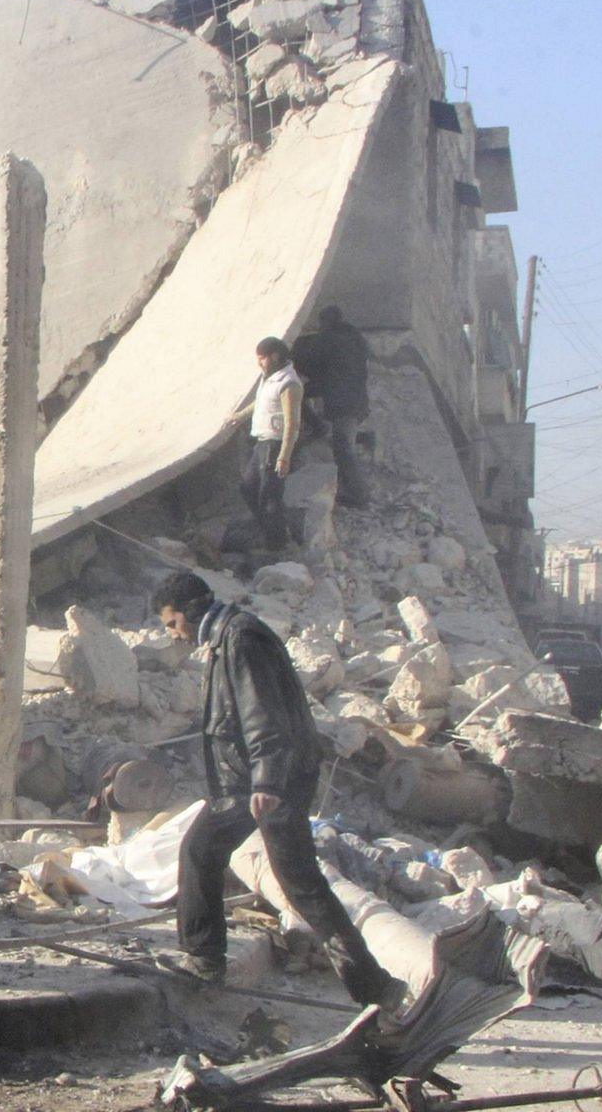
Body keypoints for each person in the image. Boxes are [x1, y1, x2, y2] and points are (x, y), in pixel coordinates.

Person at [149, 571, 402, 1006]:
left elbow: (261, 713)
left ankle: (206, 960)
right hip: (259, 780)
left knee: (216, 855)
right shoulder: (228, 637)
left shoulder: (240, 640)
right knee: (289, 877)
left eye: (173, 623)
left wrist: (266, 781)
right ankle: (375, 987)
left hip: (264, 782)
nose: (174, 634)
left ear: (191, 611)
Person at [289, 306, 370, 507]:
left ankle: (359, 496)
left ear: (326, 322)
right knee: (344, 439)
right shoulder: (353, 339)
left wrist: (291, 348)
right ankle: (359, 437)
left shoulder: (332, 340)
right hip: (352, 395)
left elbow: (308, 354)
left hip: (343, 397)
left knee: (343, 447)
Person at [240, 338, 304, 552]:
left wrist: (284, 456)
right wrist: (239, 416)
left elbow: (292, 423)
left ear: (274, 356)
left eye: (261, 359)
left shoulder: (289, 383)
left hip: (275, 446)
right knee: (248, 488)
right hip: (261, 443)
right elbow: (260, 401)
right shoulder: (270, 377)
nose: (259, 364)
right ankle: (272, 529)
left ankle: (277, 545)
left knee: (270, 497)